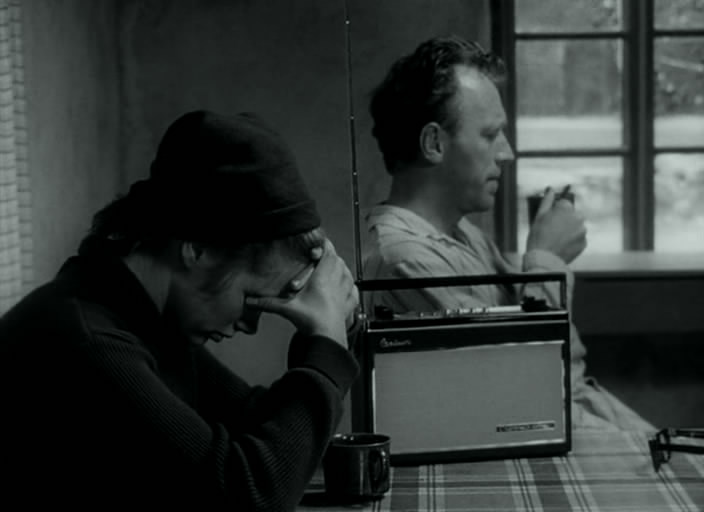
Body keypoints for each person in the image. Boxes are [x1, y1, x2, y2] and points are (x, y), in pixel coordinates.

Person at [0, 110, 360, 510]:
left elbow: (260, 425)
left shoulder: (139, 317)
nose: (251, 325)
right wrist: (325, 346)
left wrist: (324, 338)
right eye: (252, 297)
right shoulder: (87, 342)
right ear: (197, 249)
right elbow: (251, 496)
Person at [362, 35, 653, 432]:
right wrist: (547, 259)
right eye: (489, 135)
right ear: (433, 143)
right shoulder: (405, 262)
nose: (506, 153)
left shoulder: (462, 235)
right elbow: (528, 389)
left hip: (576, 419)